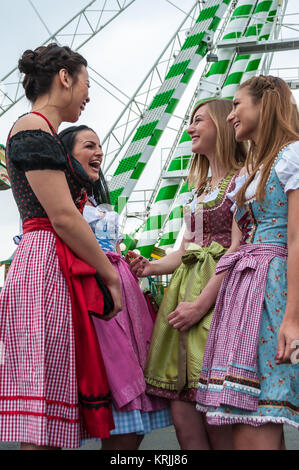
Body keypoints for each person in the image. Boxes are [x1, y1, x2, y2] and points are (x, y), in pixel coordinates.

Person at [0, 43, 122, 450]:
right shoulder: (32, 128)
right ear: (65, 77)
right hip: (46, 261)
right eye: (85, 83)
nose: (88, 95)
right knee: (44, 397)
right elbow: (64, 216)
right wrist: (109, 275)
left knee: (50, 396)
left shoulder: (39, 131)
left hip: (50, 259)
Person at [128, 98, 247, 450]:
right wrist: (150, 266)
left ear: (224, 126)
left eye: (198, 121)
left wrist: (199, 305)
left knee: (216, 414)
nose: (190, 128)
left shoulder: (244, 180)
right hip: (183, 295)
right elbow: (184, 251)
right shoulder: (198, 190)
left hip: (220, 295)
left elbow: (238, 249)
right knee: (183, 417)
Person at [196, 75, 299, 450]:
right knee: (252, 414)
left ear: (265, 104)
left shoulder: (292, 156)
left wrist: (292, 317)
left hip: (272, 291)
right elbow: (235, 247)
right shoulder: (255, 170)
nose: (230, 115)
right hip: (247, 291)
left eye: (237, 105)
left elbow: (296, 238)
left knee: (255, 418)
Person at [58, 125, 172, 451]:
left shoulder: (93, 199)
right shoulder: (61, 202)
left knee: (133, 414)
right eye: (89, 146)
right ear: (66, 155)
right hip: (97, 302)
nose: (98, 153)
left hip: (124, 299)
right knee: (117, 388)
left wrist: (127, 260)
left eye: (99, 147)